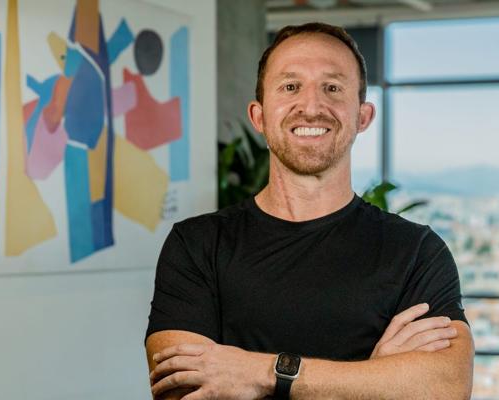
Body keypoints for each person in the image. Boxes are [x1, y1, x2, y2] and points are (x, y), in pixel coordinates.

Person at [145, 22, 474, 399]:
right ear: (259, 117)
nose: (312, 107)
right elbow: (182, 392)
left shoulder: (416, 252)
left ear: (363, 116)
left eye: (332, 88)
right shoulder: (197, 245)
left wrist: (261, 373)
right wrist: (373, 381)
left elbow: (447, 387)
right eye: (290, 87)